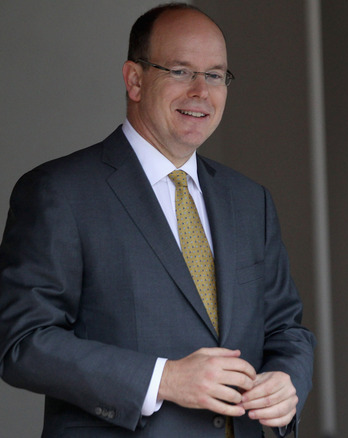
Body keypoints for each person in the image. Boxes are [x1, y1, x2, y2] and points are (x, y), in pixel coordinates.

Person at [0, 3, 315, 437]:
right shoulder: (60, 192)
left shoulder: (250, 201)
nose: (201, 91)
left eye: (216, 75)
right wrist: (163, 379)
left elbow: (285, 329)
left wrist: (287, 381)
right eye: (181, 71)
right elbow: (21, 342)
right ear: (134, 79)